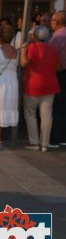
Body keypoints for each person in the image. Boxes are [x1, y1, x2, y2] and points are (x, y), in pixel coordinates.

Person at [21, 26, 60, 152]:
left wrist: (23, 50)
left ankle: (34, 142)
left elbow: (24, 63)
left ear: (35, 36)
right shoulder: (52, 49)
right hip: (50, 84)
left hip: (34, 84)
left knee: (30, 112)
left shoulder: (33, 47)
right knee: (47, 115)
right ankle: (44, 143)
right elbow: (58, 66)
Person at [49, 11, 66, 147]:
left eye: (52, 20)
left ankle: (56, 138)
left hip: (60, 74)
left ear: (57, 22)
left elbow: (52, 59)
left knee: (58, 107)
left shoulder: (57, 38)